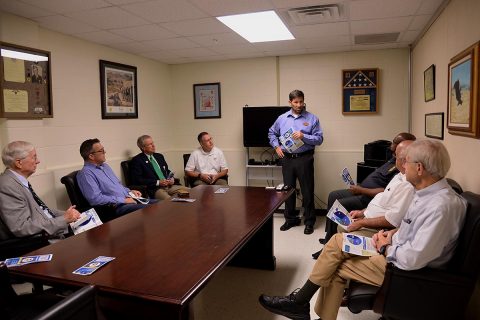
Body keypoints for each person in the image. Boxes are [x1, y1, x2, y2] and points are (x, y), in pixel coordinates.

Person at [259, 140, 467, 320]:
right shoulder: (427, 194)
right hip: (393, 249)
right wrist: (391, 234)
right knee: (337, 243)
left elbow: (412, 260)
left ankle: (299, 303)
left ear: (419, 168)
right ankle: (299, 303)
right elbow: (410, 226)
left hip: (405, 271)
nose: (403, 166)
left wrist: (385, 247)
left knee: (335, 266)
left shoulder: (440, 207)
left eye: (407, 162)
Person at [312, 140, 415, 259]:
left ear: (404, 160)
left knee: (338, 203)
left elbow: (392, 218)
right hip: (366, 202)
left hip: (367, 200)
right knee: (333, 196)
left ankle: (330, 246)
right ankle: (329, 238)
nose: (392, 153)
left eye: (395, 154)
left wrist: (362, 219)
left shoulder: (407, 183)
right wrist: (362, 213)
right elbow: (383, 198)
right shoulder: (399, 174)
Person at [268, 89, 324, 235]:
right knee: (288, 191)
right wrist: (276, 146)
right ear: (290, 102)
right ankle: (291, 219)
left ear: (304, 101)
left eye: (301, 102)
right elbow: (271, 133)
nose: (299, 105)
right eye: (296, 102)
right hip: (287, 159)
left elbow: (319, 139)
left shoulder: (312, 119)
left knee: (307, 191)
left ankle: (309, 222)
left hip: (305, 158)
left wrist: (303, 136)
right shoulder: (282, 118)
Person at [0, 141, 80, 240]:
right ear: (19, 163)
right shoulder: (7, 185)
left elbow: (40, 211)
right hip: (39, 243)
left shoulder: (16, 181)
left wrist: (66, 214)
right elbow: (21, 227)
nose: (38, 161)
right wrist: (63, 219)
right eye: (34, 157)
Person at [77, 138, 155, 217]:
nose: (105, 152)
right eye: (101, 151)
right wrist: (123, 200)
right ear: (91, 156)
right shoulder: (85, 174)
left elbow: (118, 186)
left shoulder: (105, 166)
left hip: (129, 199)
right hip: (116, 208)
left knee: (160, 204)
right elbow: (96, 199)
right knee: (152, 210)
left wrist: (129, 191)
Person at [130, 135, 189, 200]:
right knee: (171, 201)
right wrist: (158, 182)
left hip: (169, 186)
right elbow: (138, 180)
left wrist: (171, 178)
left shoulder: (159, 156)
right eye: (150, 144)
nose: (153, 145)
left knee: (190, 191)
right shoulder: (137, 160)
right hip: (155, 189)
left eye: (153, 143)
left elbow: (166, 170)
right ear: (143, 147)